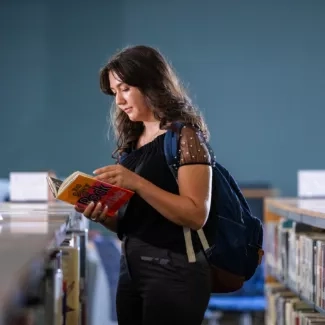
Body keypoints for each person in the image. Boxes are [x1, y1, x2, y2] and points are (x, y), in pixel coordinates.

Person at [75, 45, 213, 325]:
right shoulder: (132, 143)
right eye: (115, 92)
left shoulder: (185, 138)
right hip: (131, 269)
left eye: (125, 88)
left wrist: (136, 182)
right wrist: (106, 217)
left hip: (174, 273)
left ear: (150, 83)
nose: (119, 101)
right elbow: (139, 220)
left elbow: (196, 214)